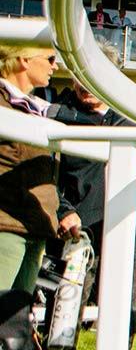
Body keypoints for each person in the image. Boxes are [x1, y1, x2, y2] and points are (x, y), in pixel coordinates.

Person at [0, 43, 60, 302]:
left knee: (15, 321)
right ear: (24, 59)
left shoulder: (38, 108)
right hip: (7, 225)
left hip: (36, 226)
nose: (54, 66)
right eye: (49, 58)